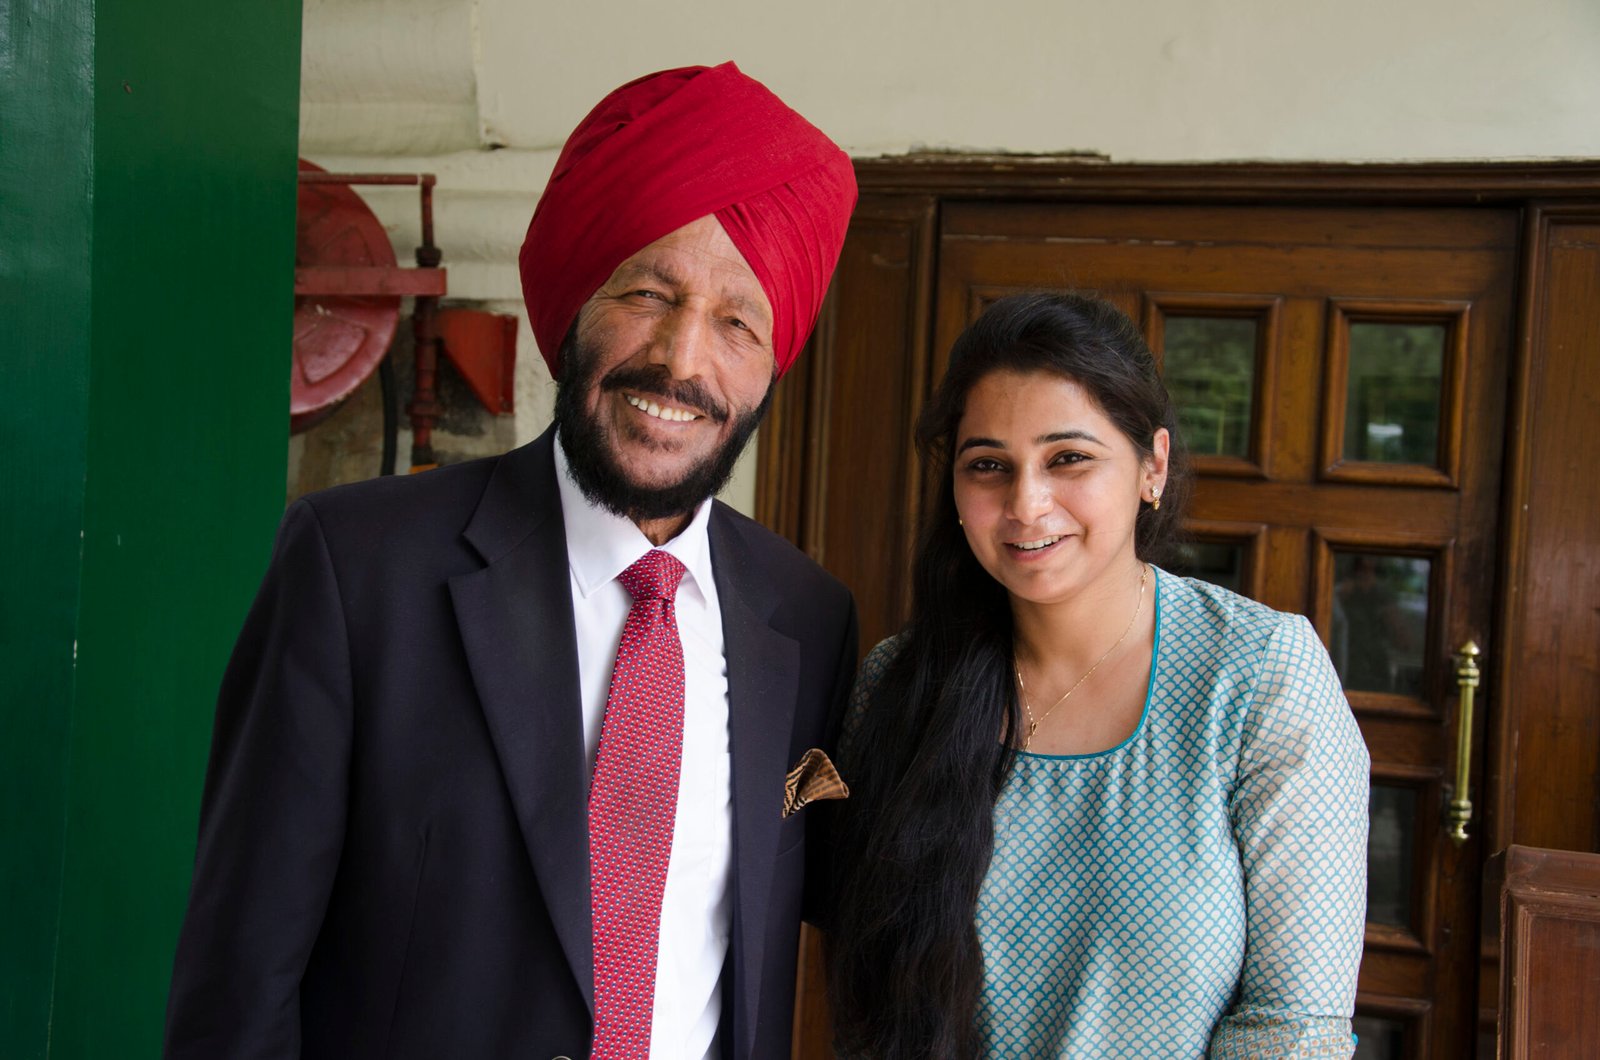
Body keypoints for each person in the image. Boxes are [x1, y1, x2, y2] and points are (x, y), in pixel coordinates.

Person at [165, 63, 859, 1060]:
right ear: (576, 305)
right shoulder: (356, 571)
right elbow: (238, 990)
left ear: (771, 364)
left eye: (737, 322)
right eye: (647, 292)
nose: (681, 358)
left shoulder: (806, 618)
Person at [826, 292, 1369, 1059]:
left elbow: (1294, 1028)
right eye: (989, 466)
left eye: (1068, 458)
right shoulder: (900, 682)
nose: (1026, 503)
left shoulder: (1259, 678)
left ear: (1153, 466)